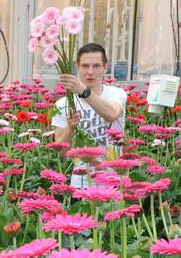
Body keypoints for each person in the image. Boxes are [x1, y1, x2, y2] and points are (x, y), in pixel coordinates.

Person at [51, 43, 127, 186]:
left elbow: (111, 114)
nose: (90, 72)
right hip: (81, 183)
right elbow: (61, 152)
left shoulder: (116, 94)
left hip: (113, 182)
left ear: (105, 67)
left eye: (96, 66)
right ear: (77, 67)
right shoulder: (63, 104)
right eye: (85, 66)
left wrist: (83, 91)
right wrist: (70, 128)